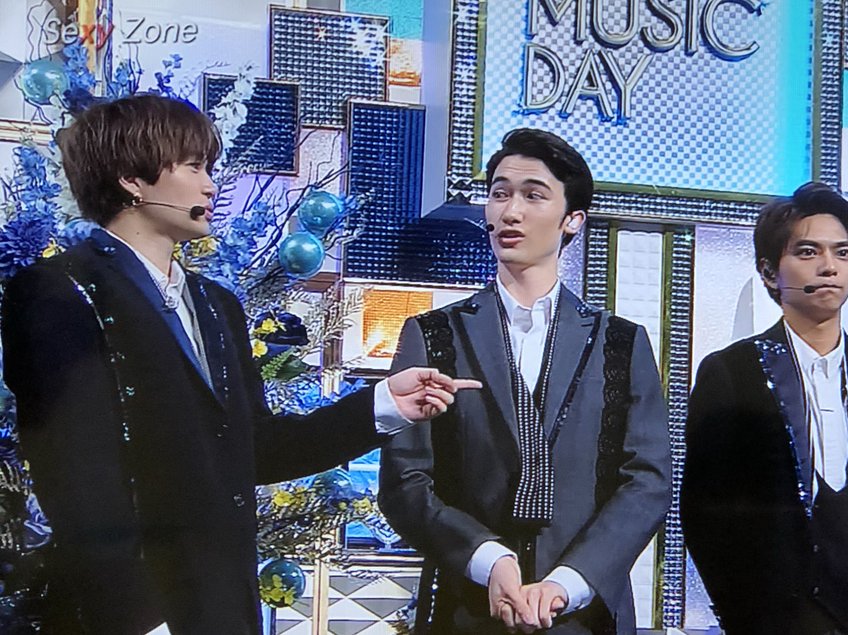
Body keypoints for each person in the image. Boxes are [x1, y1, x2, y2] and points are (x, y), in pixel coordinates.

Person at [0, 93, 479, 634]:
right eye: (193, 167)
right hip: (131, 616)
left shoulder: (216, 304)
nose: (210, 186)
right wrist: (138, 622)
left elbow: (258, 450)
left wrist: (385, 403)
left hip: (222, 607)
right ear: (131, 179)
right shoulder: (60, 292)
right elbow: (77, 482)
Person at [378, 128, 671, 634]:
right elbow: (405, 480)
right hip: (464, 608)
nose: (510, 212)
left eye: (533, 195)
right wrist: (487, 559)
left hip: (585, 614)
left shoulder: (620, 343)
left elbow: (647, 480)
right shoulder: (434, 334)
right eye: (499, 194)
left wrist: (569, 582)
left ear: (572, 219)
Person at [681, 183, 848, 634]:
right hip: (771, 617)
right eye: (808, 252)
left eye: (843, 253)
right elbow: (703, 511)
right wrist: (743, 612)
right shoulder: (732, 372)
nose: (829, 267)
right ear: (769, 271)